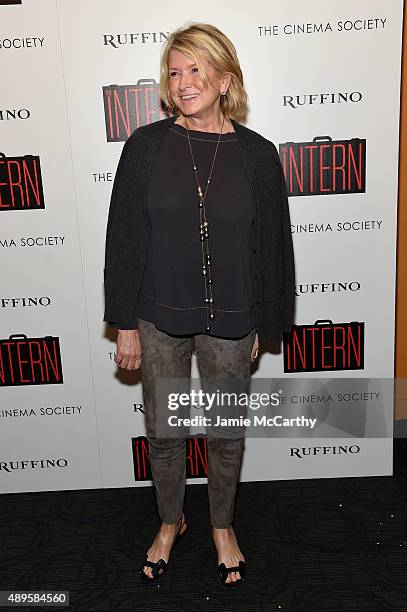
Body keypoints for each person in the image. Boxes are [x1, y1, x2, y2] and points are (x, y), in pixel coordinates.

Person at [103, 22, 295, 585]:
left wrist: (269, 320)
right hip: (157, 313)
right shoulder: (145, 147)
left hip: (235, 316)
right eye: (174, 71)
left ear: (224, 76)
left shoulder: (258, 156)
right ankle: (170, 521)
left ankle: (220, 525)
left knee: (226, 430)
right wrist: (125, 325)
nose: (183, 82)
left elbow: (274, 244)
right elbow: (124, 237)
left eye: (196, 69)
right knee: (164, 430)